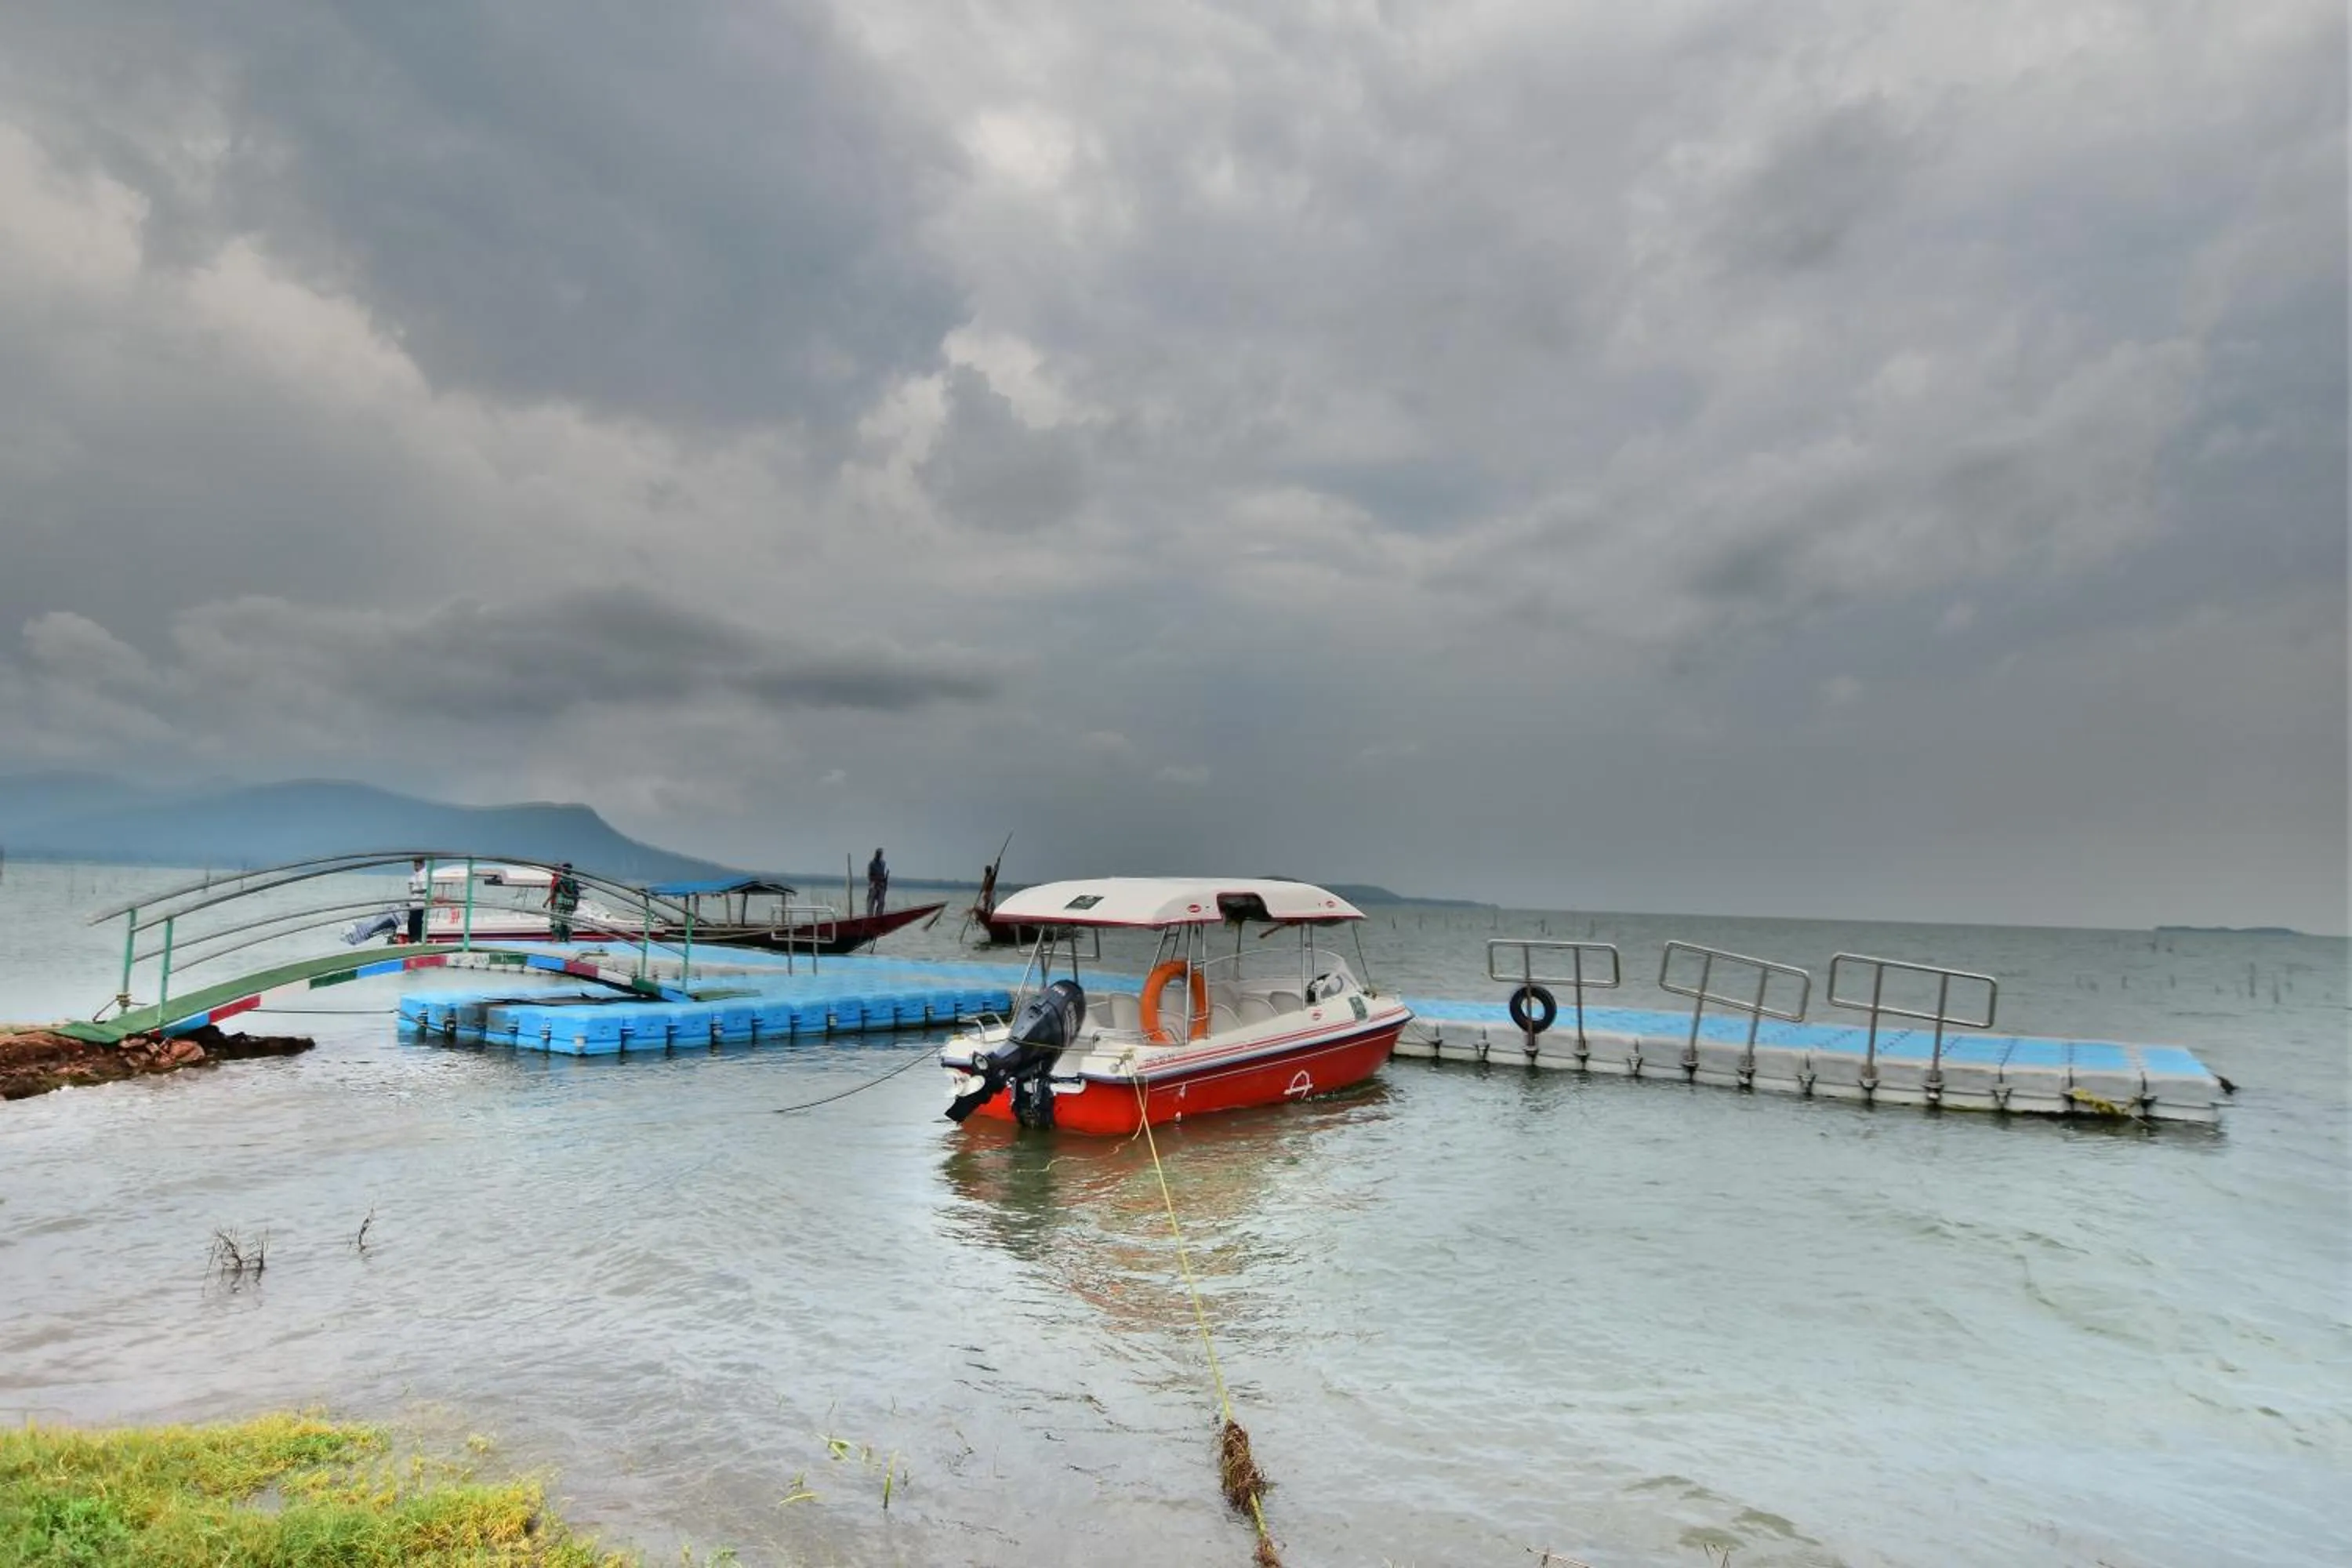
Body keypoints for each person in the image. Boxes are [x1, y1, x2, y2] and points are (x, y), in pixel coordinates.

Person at [546, 861, 581, 942]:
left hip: (560, 902)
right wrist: (575, 904)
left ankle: (558, 939)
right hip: (569, 904)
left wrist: (547, 901)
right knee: (566, 922)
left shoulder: (560, 879)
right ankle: (566, 939)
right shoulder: (573, 880)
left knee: (558, 921)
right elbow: (577, 894)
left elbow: (556, 891)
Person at [405, 857, 429, 945]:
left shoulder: (423, 874)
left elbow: (425, 889)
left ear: (422, 864)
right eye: (415, 863)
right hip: (413, 902)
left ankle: (417, 940)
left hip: (419, 902)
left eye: (417, 863)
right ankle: (412, 940)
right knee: (411, 922)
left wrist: (414, 891)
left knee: (416, 921)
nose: (415, 865)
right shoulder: (415, 874)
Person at [866, 848, 888, 919]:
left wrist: (884, 882)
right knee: (871, 902)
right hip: (874, 884)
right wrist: (875, 881)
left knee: (881, 902)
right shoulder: (872, 864)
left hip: (881, 884)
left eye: (880, 854)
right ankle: (870, 917)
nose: (879, 855)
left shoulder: (883, 864)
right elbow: (870, 876)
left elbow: (883, 874)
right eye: (878, 853)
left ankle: (878, 916)